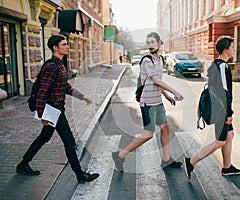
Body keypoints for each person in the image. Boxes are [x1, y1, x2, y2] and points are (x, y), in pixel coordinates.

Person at [16, 35, 99, 183]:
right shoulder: (51, 66)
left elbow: (65, 86)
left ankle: (23, 164)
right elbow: (42, 90)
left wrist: (82, 97)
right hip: (53, 110)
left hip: (58, 109)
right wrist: (42, 115)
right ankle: (80, 175)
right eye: (64, 44)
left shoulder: (60, 65)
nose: (67, 46)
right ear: (55, 47)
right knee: (69, 141)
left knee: (44, 138)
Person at [112, 32, 184, 172]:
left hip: (157, 101)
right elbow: (156, 80)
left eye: (152, 42)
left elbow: (157, 83)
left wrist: (166, 96)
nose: (150, 45)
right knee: (148, 134)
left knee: (165, 128)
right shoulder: (147, 60)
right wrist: (174, 92)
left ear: (159, 42)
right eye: (148, 43)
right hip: (148, 103)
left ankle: (166, 159)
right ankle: (120, 155)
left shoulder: (160, 59)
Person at [184, 36, 240, 179]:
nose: (234, 50)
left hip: (219, 108)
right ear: (225, 49)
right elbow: (224, 92)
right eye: (232, 48)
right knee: (220, 141)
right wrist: (228, 113)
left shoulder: (216, 65)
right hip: (221, 110)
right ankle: (191, 161)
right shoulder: (222, 66)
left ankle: (227, 167)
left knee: (229, 135)